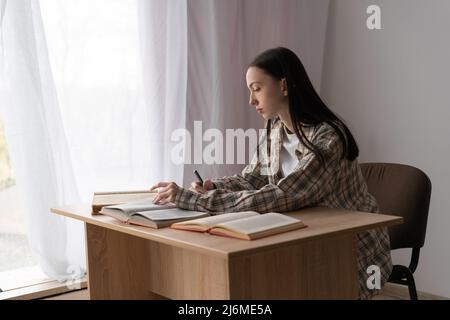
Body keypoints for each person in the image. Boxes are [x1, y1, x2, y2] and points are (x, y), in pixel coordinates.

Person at [150, 47, 392, 299]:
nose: (251, 100)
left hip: (350, 248)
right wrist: (214, 188)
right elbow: (252, 178)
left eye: (256, 88)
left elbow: (284, 195)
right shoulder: (274, 127)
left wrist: (195, 200)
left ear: (283, 86)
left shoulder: (329, 137)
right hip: (304, 235)